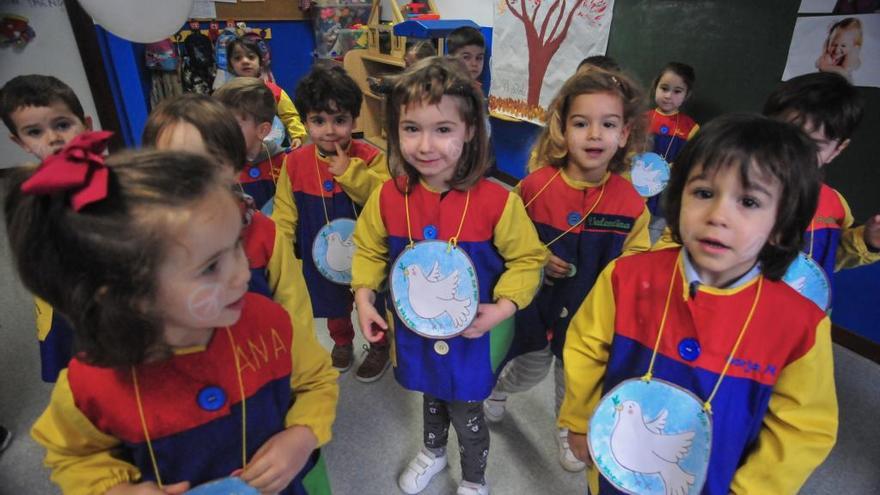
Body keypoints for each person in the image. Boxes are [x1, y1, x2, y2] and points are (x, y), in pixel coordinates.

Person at [5, 140, 339, 494]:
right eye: (211, 266)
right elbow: (73, 456)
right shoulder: (91, 383)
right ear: (130, 296)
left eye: (236, 248)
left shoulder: (270, 321)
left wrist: (303, 435)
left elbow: (317, 382)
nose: (242, 274)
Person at [559, 114, 837, 495]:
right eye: (704, 193)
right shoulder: (626, 277)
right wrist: (578, 421)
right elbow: (585, 350)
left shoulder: (801, 324)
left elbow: (803, 428)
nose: (718, 216)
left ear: (782, 225)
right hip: (615, 473)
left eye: (749, 201)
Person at [351, 56, 547, 495]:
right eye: (411, 128)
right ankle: (433, 452)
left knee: (468, 408)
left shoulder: (499, 202)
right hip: (415, 330)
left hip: (473, 336)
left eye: (443, 130)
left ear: (470, 131)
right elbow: (367, 249)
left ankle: (474, 480)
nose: (425, 145)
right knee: (430, 392)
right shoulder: (388, 197)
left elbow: (528, 261)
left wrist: (503, 309)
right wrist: (363, 296)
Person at [483, 68, 651, 473]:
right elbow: (509, 241)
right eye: (581, 123)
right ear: (562, 129)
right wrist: (539, 254)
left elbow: (639, 263)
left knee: (576, 381)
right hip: (537, 310)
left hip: (590, 319)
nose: (594, 135)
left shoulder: (630, 203)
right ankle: (497, 391)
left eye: (608, 124)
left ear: (624, 134)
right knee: (527, 369)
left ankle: (568, 429)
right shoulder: (535, 186)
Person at [141, 94, 317, 343]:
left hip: (260, 361)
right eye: (174, 162)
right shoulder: (146, 239)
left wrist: (299, 371)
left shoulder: (262, 232)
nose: (192, 176)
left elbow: (294, 309)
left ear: (235, 166)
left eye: (210, 161)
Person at [273, 62, 392, 381]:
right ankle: (342, 342)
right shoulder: (295, 163)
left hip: (367, 256)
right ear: (306, 121)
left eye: (339, 120)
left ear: (354, 119)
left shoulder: (370, 157)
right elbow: (285, 212)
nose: (329, 129)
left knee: (374, 303)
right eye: (319, 120)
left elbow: (385, 201)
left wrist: (351, 173)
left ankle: (380, 345)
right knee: (333, 306)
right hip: (322, 256)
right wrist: (279, 251)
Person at [0, 74, 92, 383]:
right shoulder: (30, 196)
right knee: (81, 374)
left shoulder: (114, 179)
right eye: (34, 132)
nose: (52, 139)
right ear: (20, 142)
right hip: (64, 298)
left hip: (113, 291)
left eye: (63, 125)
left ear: (87, 125)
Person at [763, 72, 880, 281]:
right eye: (783, 134)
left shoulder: (835, 204)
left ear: (837, 150)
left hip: (808, 311)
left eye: (813, 145)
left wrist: (867, 241)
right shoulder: (734, 191)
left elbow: (828, 257)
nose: (792, 150)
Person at [214, 77, 287, 212]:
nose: (221, 131)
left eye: (231, 125)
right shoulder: (216, 169)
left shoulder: (284, 163)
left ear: (262, 130)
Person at [227, 36, 307, 148]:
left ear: (260, 62)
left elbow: (290, 116)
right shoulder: (227, 94)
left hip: (275, 149)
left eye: (251, 57)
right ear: (231, 65)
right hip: (240, 150)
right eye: (237, 58)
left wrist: (297, 136)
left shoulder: (274, 91)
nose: (245, 61)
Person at [645, 62, 700, 219]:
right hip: (637, 186)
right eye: (664, 88)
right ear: (655, 87)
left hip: (665, 190)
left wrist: (671, 169)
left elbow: (690, 162)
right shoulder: (641, 119)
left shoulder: (691, 128)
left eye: (677, 91)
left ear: (686, 95)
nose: (668, 96)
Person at [815, 17, 862, 82]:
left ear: (853, 46)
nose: (836, 50)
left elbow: (848, 70)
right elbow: (821, 65)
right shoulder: (828, 56)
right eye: (834, 45)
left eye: (843, 46)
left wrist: (824, 67)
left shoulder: (853, 52)